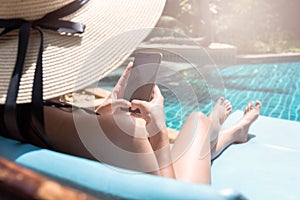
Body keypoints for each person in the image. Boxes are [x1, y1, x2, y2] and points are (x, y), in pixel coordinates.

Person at [0, 0, 261, 184]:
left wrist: (105, 112)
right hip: (169, 184)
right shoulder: (130, 134)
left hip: (113, 153)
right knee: (198, 121)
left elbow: (77, 141)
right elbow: (173, 194)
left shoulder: (19, 120)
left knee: (194, 130)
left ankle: (225, 135)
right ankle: (225, 134)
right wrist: (158, 133)